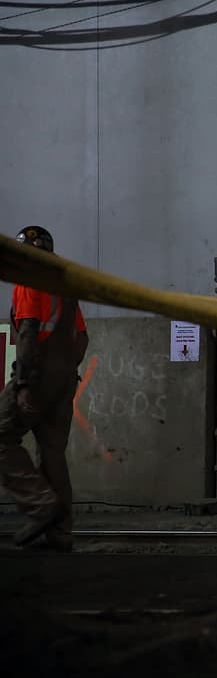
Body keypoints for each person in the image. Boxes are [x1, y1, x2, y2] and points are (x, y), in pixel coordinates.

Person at [0, 226, 89, 552]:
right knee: (52, 454)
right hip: (64, 383)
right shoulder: (64, 286)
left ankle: (41, 506)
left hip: (36, 379)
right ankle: (61, 533)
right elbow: (82, 338)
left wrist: (24, 384)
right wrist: (64, 375)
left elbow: (28, 334)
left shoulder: (29, 281)